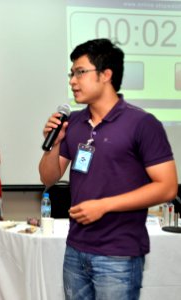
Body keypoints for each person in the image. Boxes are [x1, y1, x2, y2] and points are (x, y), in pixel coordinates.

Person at [38, 39, 178, 300]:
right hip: (76, 250)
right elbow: (48, 177)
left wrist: (104, 205)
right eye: (71, 73)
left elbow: (167, 187)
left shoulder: (142, 123)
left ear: (106, 75)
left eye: (80, 72)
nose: (72, 81)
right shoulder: (74, 122)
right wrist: (53, 146)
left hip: (118, 254)